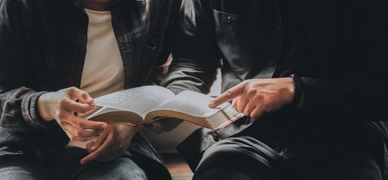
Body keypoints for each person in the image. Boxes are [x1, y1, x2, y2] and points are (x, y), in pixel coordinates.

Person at [161, 0, 388, 179]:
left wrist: (297, 89)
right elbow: (194, 58)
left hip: (343, 136)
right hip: (242, 133)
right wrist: (173, 100)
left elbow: (379, 88)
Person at [0, 0, 181, 179]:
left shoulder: (161, 5)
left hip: (109, 152)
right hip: (23, 148)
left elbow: (158, 77)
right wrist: (44, 105)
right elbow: (2, 92)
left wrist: (131, 123)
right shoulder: (22, 4)